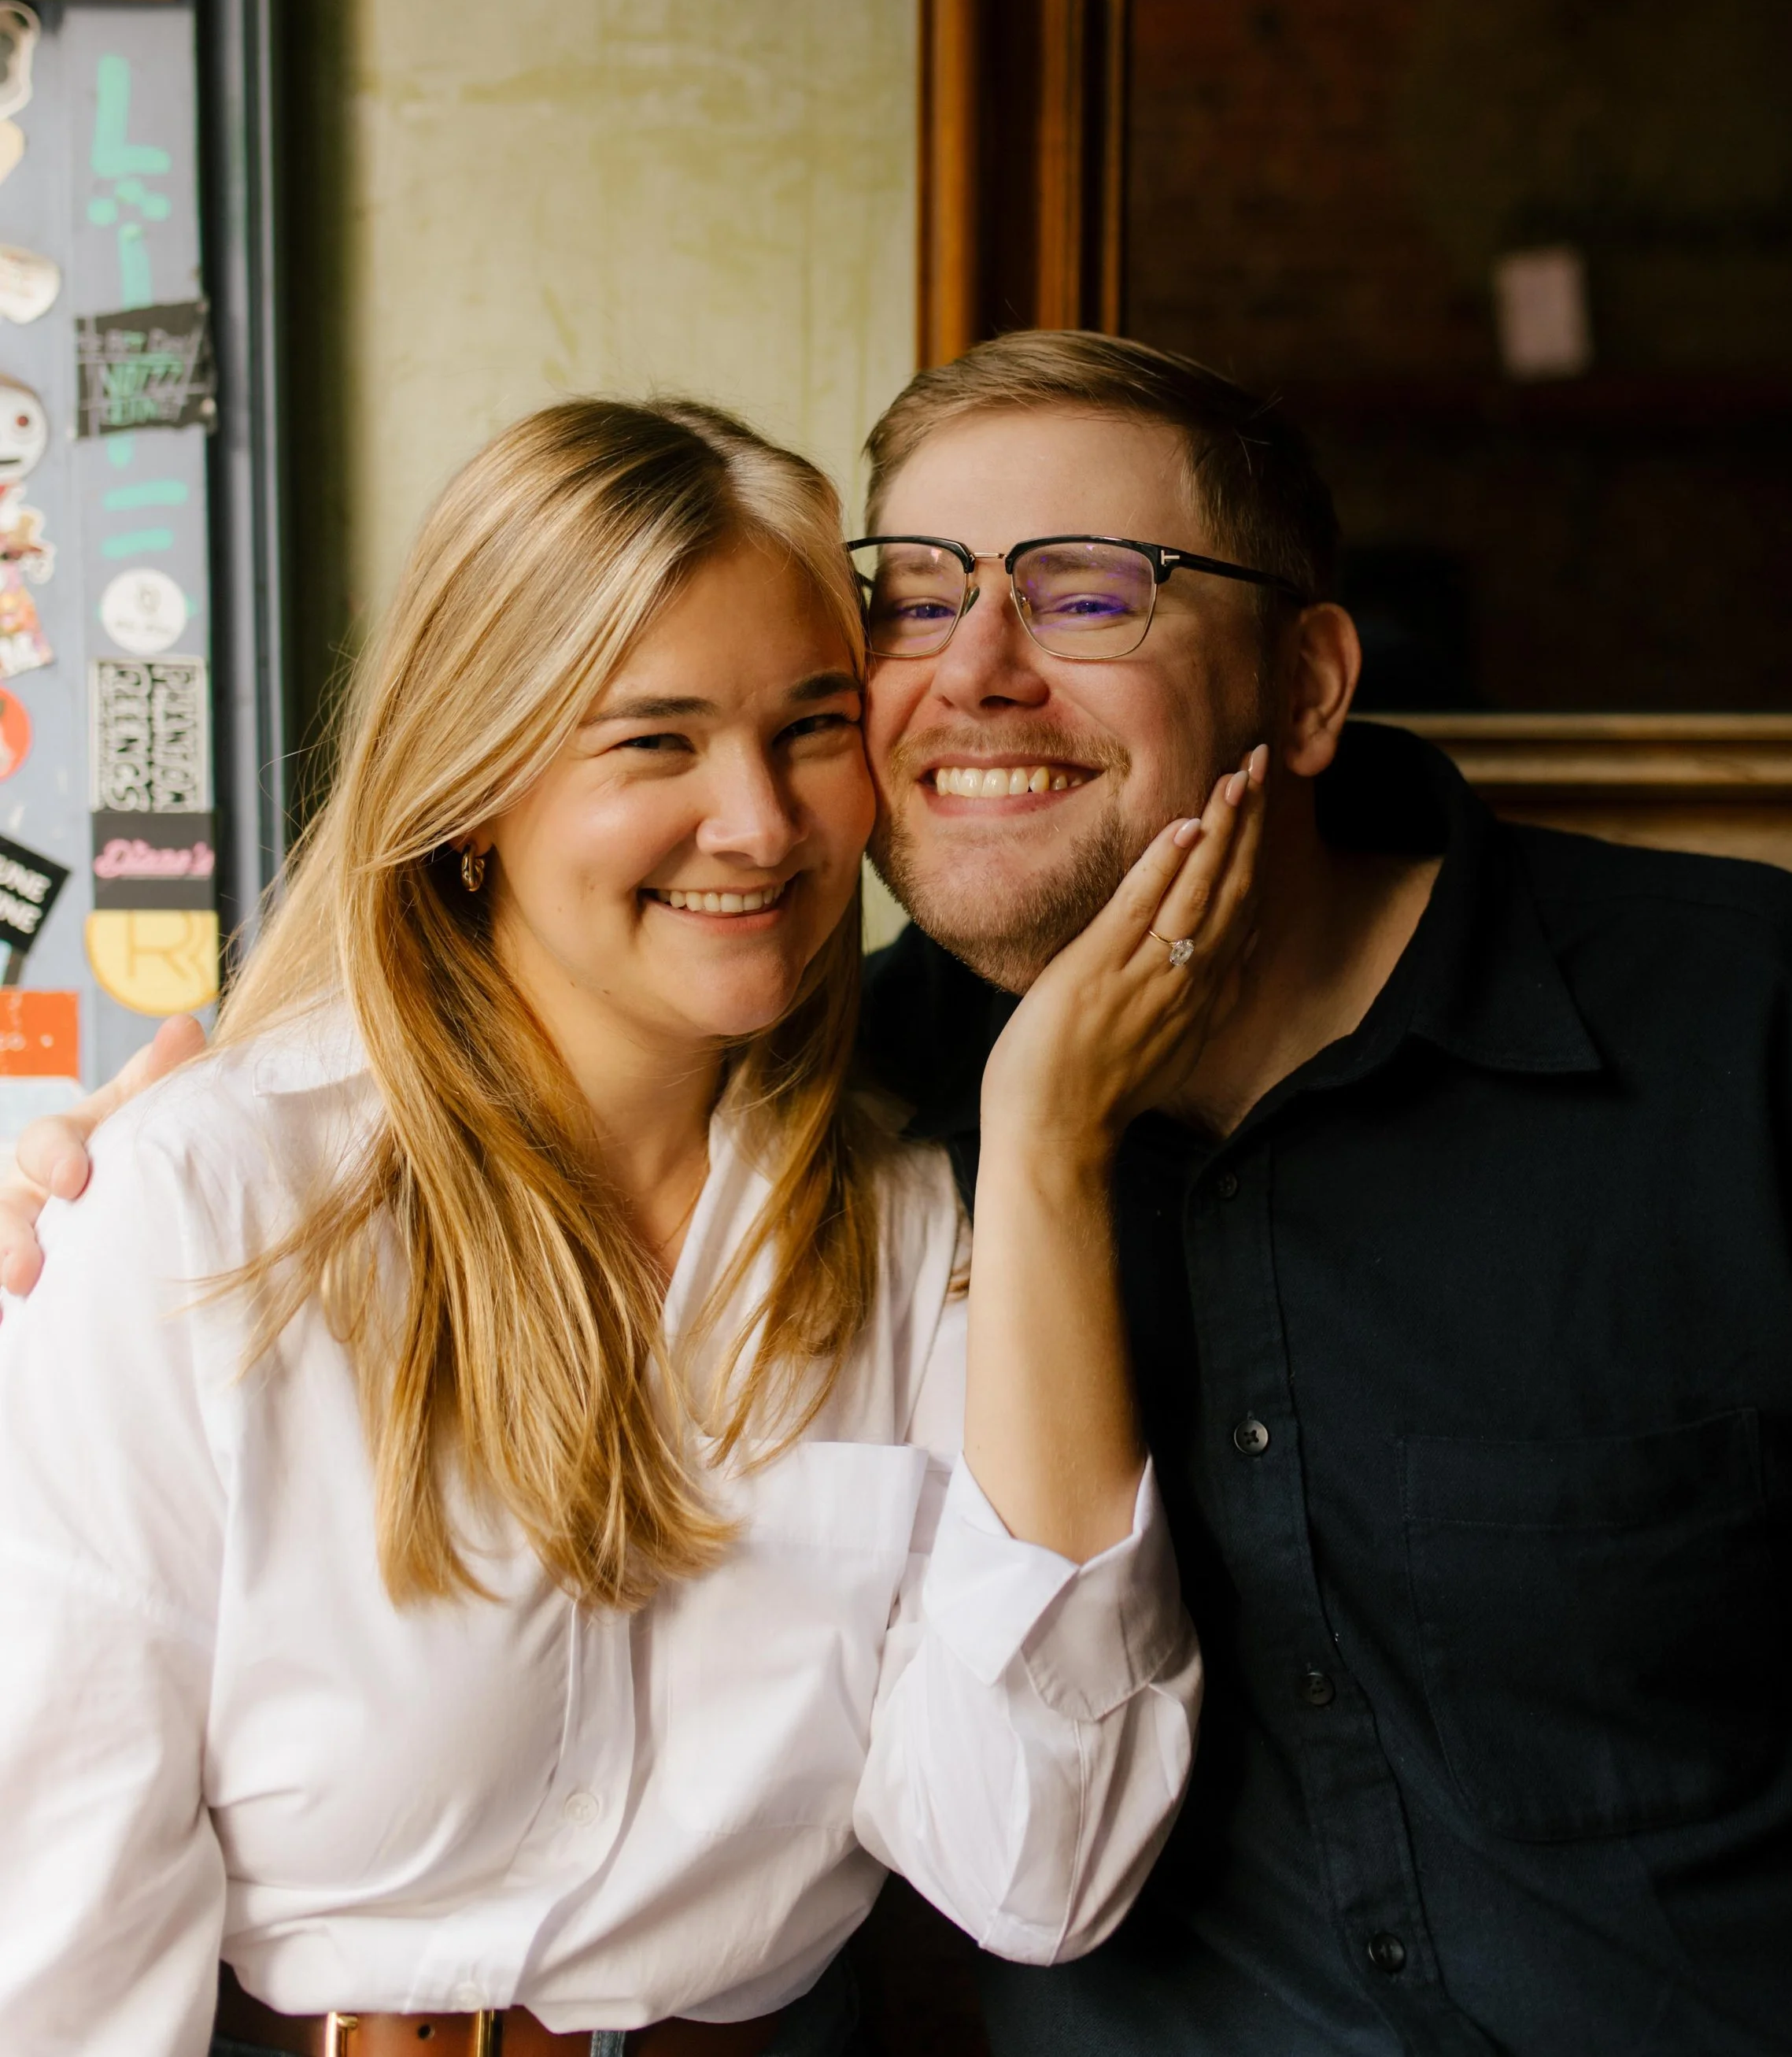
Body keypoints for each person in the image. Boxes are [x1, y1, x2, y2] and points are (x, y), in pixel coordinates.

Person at [13, 331, 1792, 2055]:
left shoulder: (1761, 1052)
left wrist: (1026, 1154)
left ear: (1302, 685)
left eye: (1092, 593)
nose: (973, 675)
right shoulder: (811, 1121)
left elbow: (1028, 1859)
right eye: (917, 596)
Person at [0, 393, 1251, 2057]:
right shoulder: (203, 1206)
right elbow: (64, 1927)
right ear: (471, 794)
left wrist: (1038, 1155)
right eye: (653, 742)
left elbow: (1041, 1869)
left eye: (812, 727)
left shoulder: (912, 1224)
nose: (759, 823)